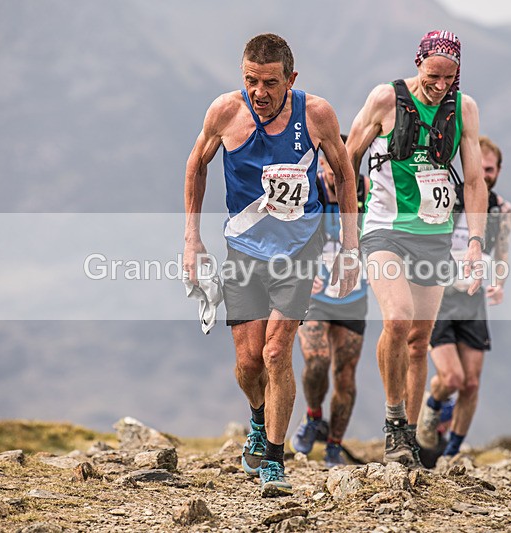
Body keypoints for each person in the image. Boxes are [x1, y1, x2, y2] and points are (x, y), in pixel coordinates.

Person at [183, 34, 360, 497]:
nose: (260, 92)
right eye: (251, 80)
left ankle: (275, 461)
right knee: (247, 361)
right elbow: (196, 164)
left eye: (270, 83)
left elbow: (343, 173)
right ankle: (258, 419)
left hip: (299, 252)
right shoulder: (225, 112)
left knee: (276, 352)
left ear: (291, 79)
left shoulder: (316, 114)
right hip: (243, 252)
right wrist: (191, 239)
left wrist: (349, 246)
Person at [345, 30, 488, 467]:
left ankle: (407, 430)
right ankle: (393, 424)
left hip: (434, 234)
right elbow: (347, 156)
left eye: (448, 77)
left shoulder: (463, 109)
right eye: (432, 75)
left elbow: (477, 181)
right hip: (384, 228)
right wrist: (347, 226)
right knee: (399, 317)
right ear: (418, 62)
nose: (439, 85)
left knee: (419, 339)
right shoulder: (386, 99)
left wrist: (476, 244)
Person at [416, 135, 511, 459]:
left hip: (472, 300)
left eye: (490, 169)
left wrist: (498, 283)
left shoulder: (501, 208)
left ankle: (452, 454)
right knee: (452, 378)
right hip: (440, 297)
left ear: (498, 171)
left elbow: (502, 251)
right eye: (480, 168)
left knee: (471, 383)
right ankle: (432, 408)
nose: (485, 174)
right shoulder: (447, 197)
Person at [291, 139, 370, 468]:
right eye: (332, 165)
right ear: (321, 165)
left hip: (353, 296)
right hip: (314, 296)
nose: (339, 172)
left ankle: (334, 446)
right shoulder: (309, 191)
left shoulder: (368, 192)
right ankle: (312, 418)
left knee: (346, 376)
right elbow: (286, 234)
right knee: (318, 362)